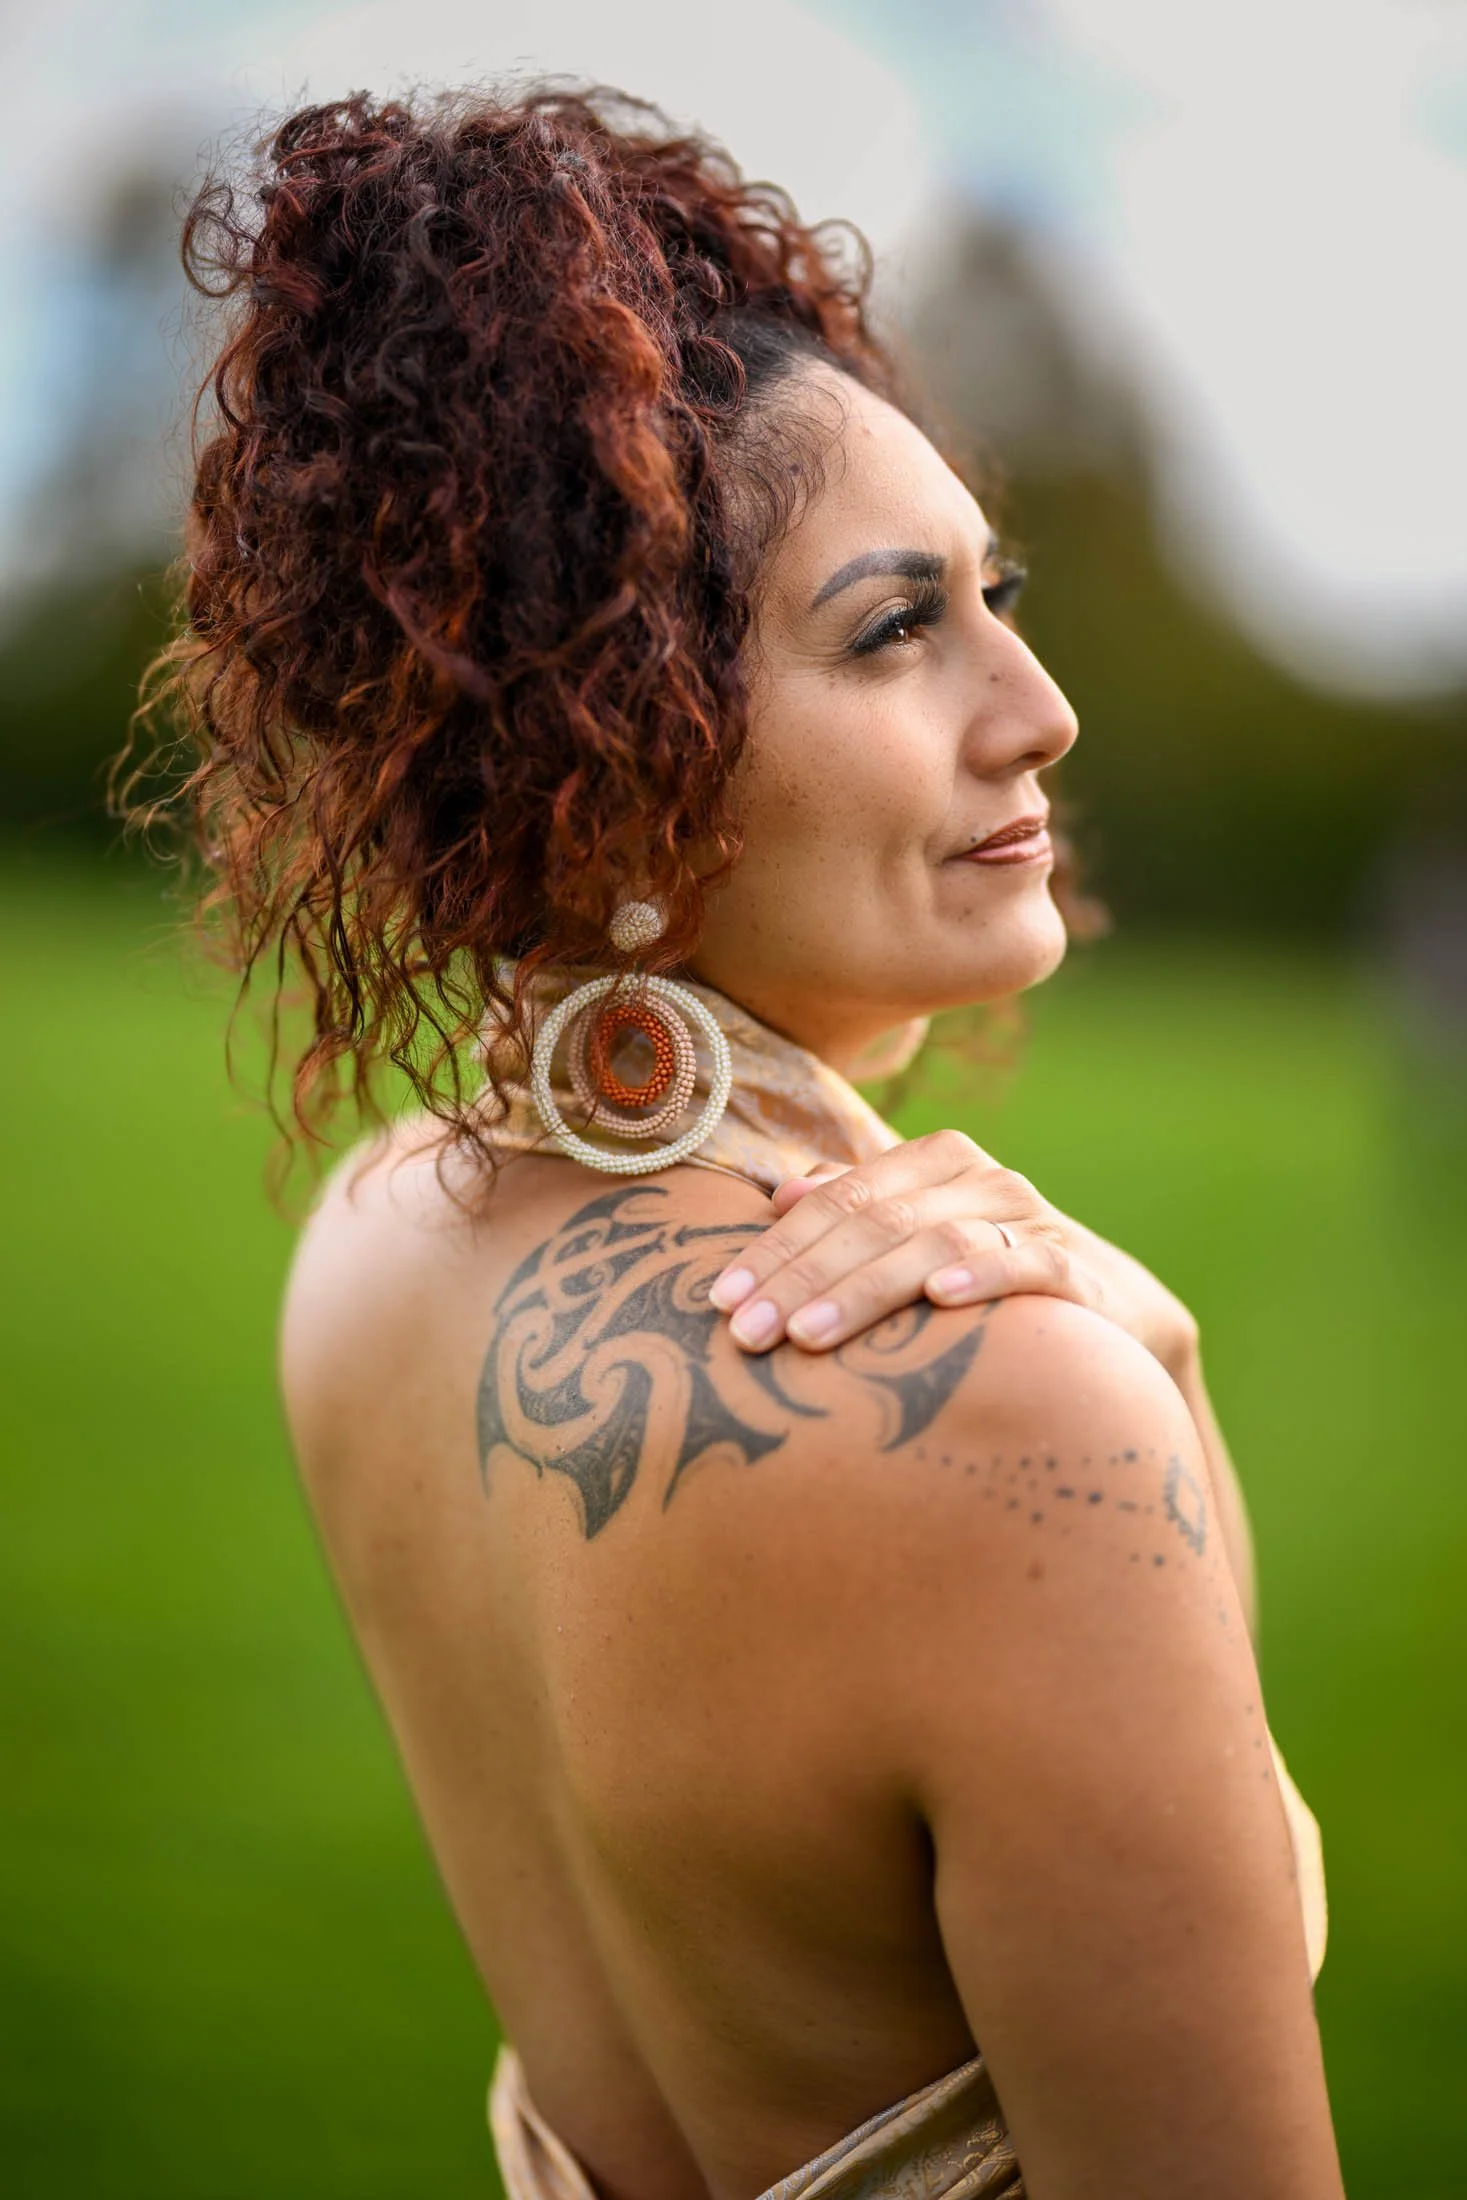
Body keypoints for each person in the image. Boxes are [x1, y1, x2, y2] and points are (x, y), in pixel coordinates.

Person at [121, 82, 1343, 2200]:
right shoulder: (1004, 1424)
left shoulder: (373, 1239)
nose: (1035, 702)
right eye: (896, 624)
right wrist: (1116, 1384)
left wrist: (1155, 1348)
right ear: (622, 752)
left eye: (1001, 588)